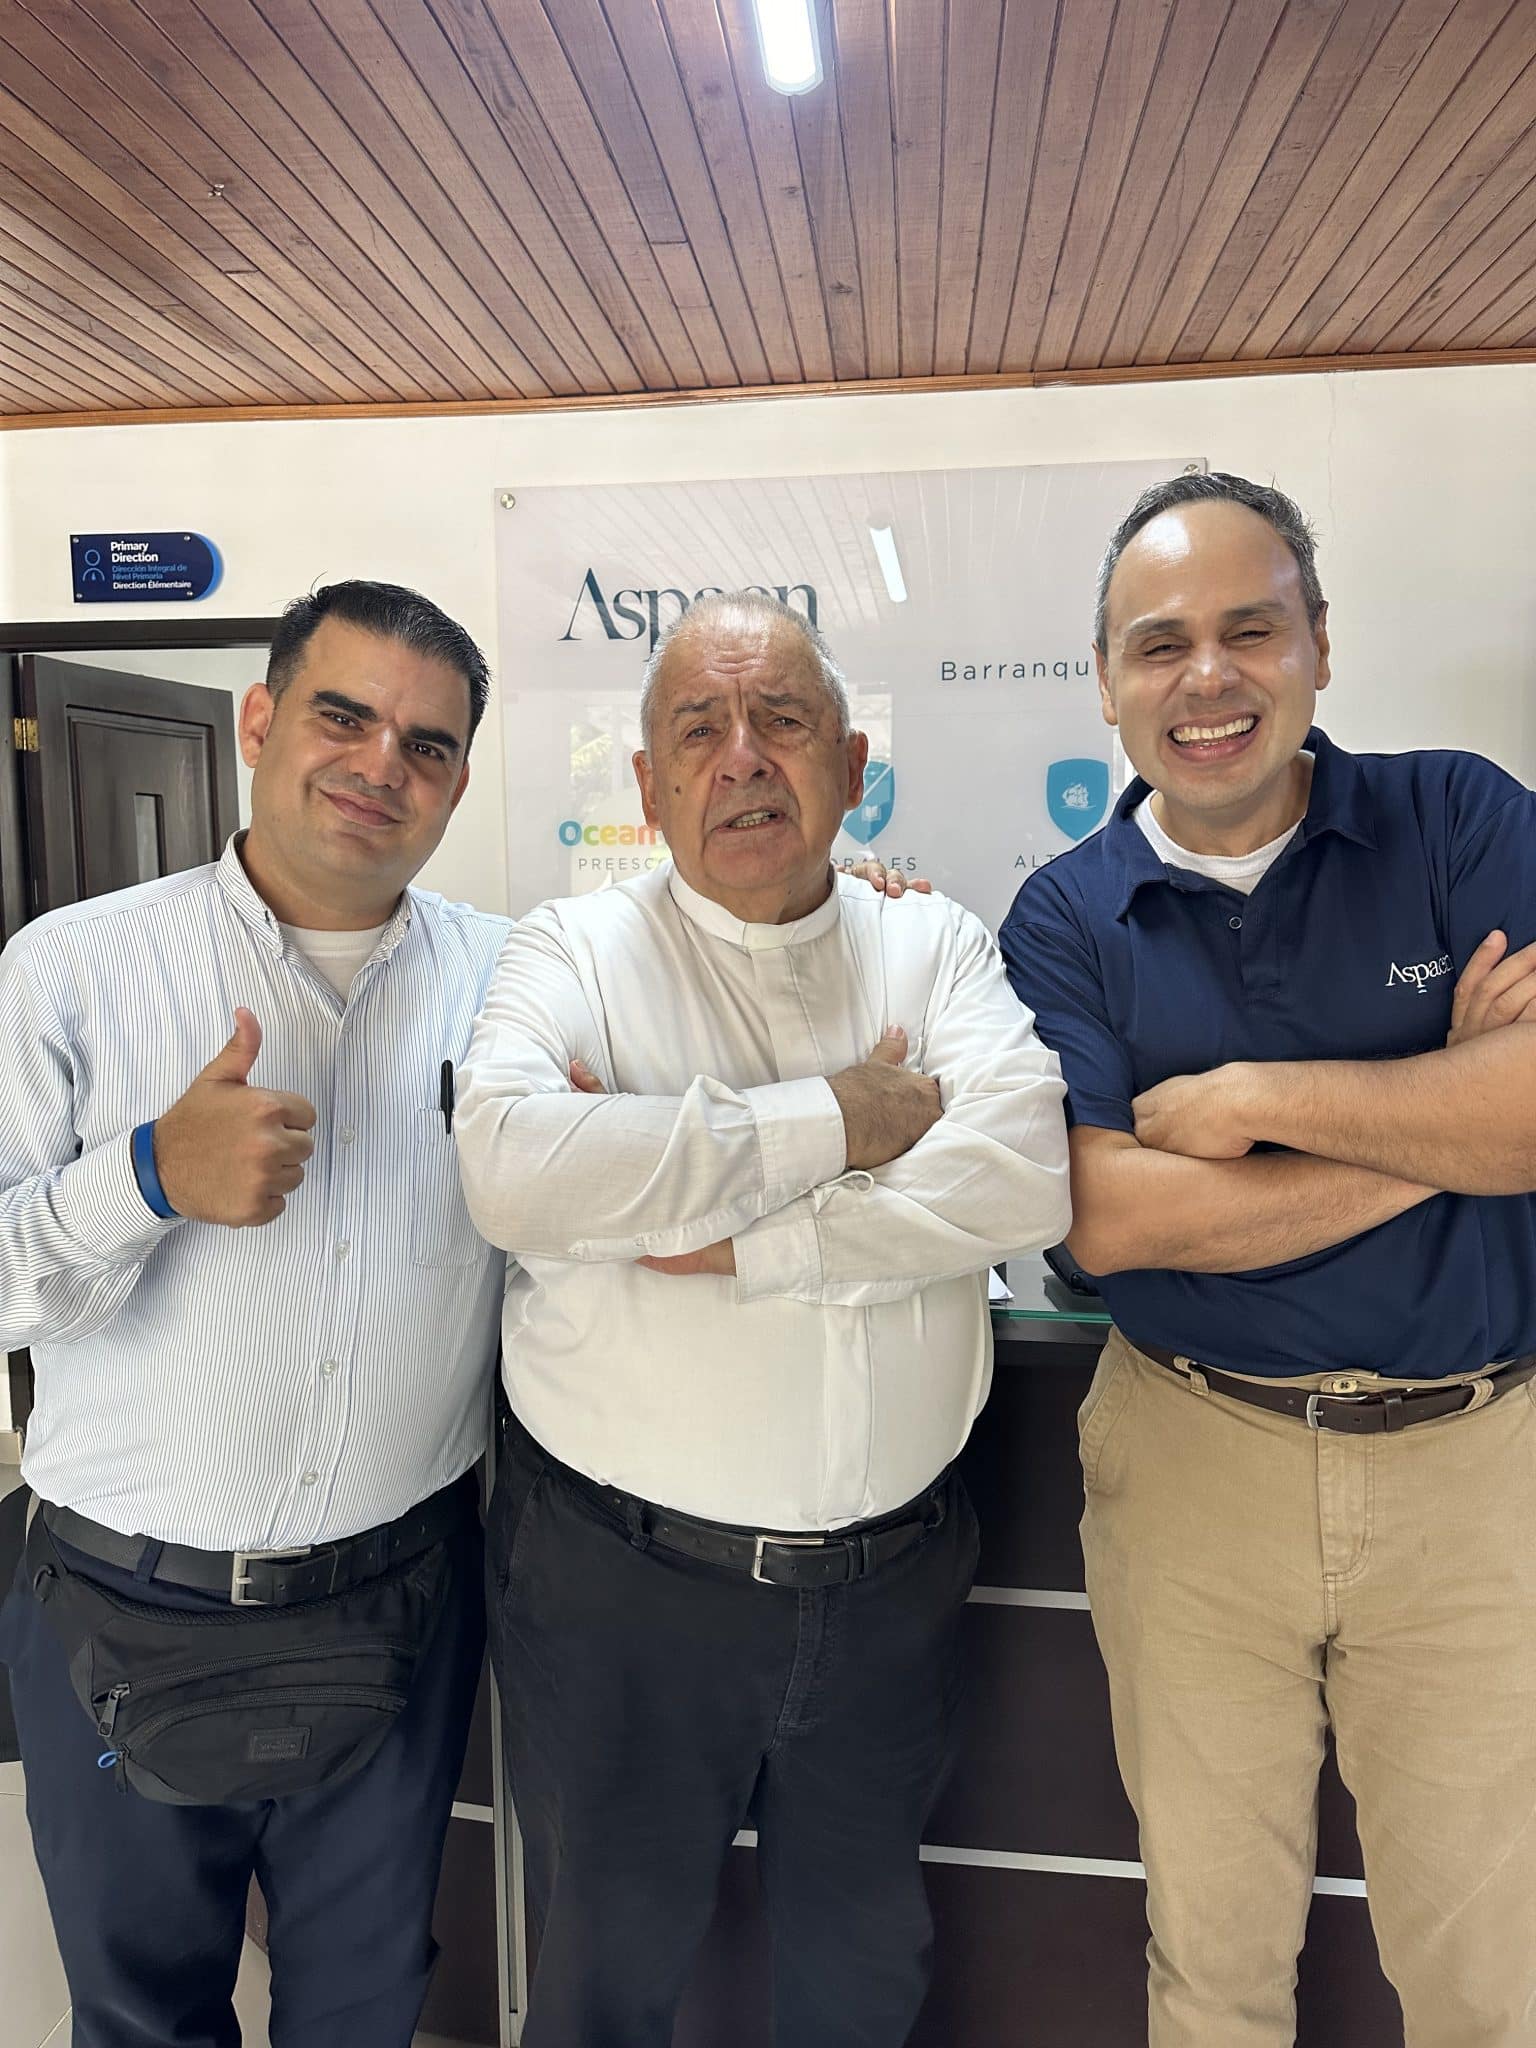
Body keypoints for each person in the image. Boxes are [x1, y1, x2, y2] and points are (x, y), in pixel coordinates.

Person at [454, 589, 1071, 2048]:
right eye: (699, 730)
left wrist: (729, 1232)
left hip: (890, 1590)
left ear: (851, 767)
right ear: (649, 785)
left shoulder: (932, 945)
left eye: (782, 720)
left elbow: (1023, 1175)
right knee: (601, 1983)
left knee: (862, 1975)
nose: (742, 756)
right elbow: (517, 1171)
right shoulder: (569, 952)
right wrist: (843, 1122)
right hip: (622, 1595)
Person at [998, 471, 1536, 2048]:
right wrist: (1442, 1113)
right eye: (1160, 643)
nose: (1208, 677)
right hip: (1194, 1461)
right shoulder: (1063, 917)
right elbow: (1111, 1222)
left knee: (1490, 1971)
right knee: (1213, 1962)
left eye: (1251, 629)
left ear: (1320, 645)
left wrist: (1251, 1104)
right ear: (1108, 681)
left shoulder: (1461, 818)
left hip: (1477, 1471)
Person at [0, 581, 508, 2048]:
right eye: (344, 717)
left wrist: (860, 912)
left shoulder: (510, 979)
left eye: (426, 744)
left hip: (399, 1602)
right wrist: (149, 1175)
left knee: (367, 2007)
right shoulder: (71, 968)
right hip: (120, 1608)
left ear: (457, 781)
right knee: (143, 2017)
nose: (380, 765)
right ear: (260, 721)